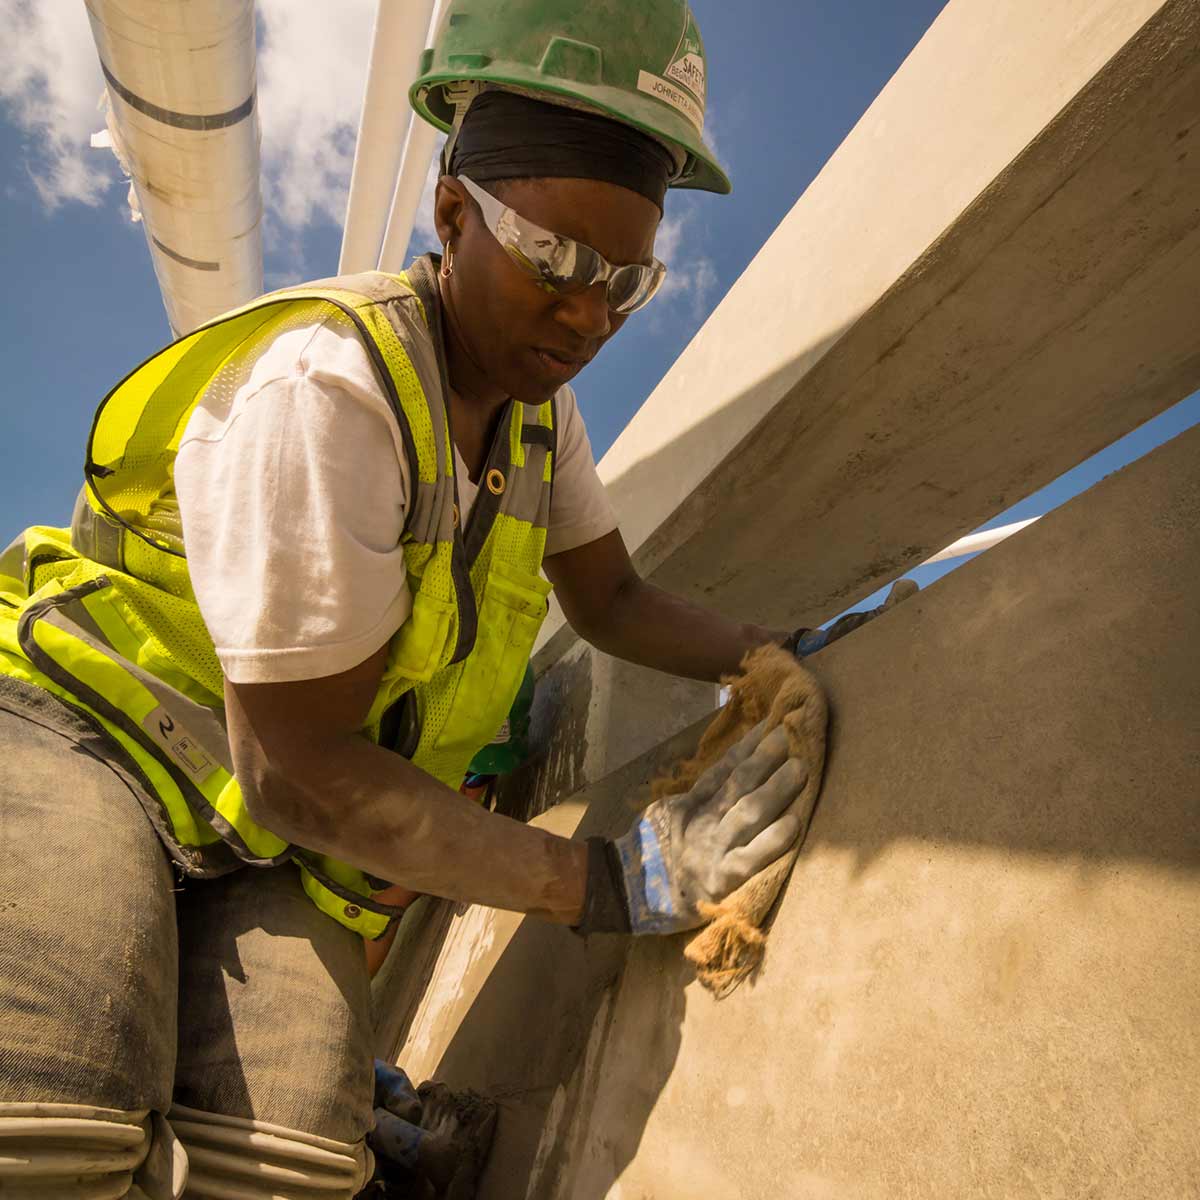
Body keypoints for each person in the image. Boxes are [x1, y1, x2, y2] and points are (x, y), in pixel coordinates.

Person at [0, 3, 872, 1197]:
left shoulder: (533, 410)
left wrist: (765, 655)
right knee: (53, 1116)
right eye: (556, 260)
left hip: (260, 838)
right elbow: (298, 767)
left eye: (627, 279)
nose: (588, 316)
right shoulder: (333, 393)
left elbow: (609, 596)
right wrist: (614, 883)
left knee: (298, 1159)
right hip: (84, 735)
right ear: (452, 212)